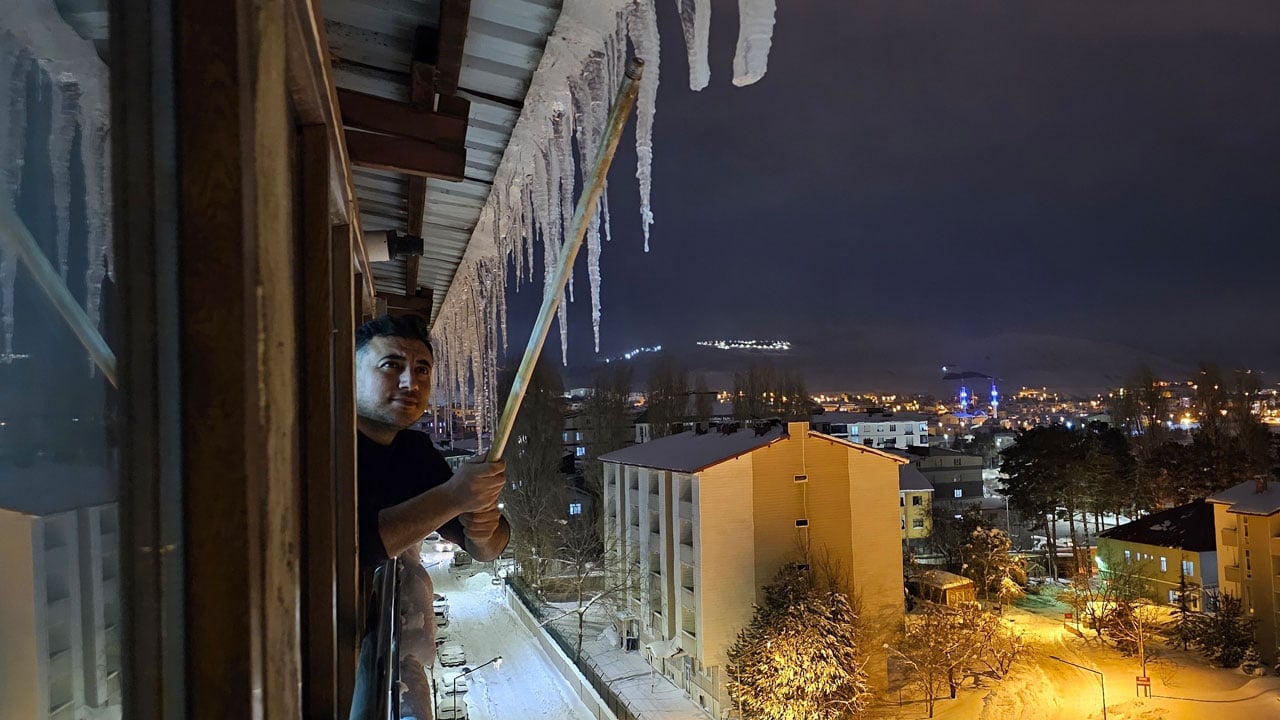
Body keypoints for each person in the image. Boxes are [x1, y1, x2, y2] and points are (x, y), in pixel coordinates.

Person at [352, 313, 508, 719]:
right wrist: (455, 495)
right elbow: (353, 545)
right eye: (391, 366)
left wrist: (483, 526)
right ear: (348, 373)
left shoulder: (413, 453)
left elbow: (485, 547)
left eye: (422, 369)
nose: (412, 382)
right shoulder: (323, 446)